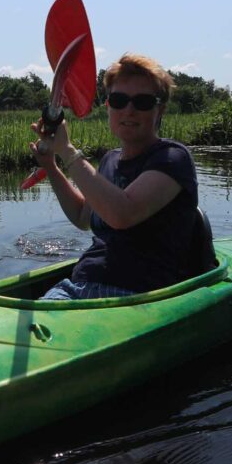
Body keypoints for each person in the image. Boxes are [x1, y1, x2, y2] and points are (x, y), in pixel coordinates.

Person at [30, 53, 205, 301]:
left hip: (138, 296)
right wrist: (51, 166)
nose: (129, 111)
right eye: (119, 100)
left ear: (160, 109)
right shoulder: (109, 160)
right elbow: (82, 217)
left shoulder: (173, 158)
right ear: (108, 106)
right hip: (78, 285)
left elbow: (122, 214)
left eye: (143, 102)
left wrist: (67, 151)